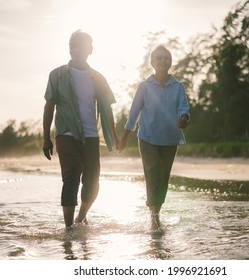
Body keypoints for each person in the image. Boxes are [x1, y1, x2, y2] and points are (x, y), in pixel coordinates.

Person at [43, 30, 119, 228]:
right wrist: (46, 138)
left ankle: (80, 217)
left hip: (91, 135)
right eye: (72, 46)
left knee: (92, 181)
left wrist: (115, 135)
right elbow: (49, 106)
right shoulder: (57, 74)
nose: (75, 49)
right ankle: (69, 228)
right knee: (72, 174)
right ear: (70, 49)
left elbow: (107, 108)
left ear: (90, 50)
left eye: (81, 46)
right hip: (66, 133)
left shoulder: (98, 78)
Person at [119, 45, 190, 231]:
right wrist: (125, 136)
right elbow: (134, 113)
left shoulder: (178, 86)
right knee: (152, 173)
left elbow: (183, 107)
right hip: (148, 138)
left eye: (166, 57)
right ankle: (154, 217)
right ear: (152, 62)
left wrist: (184, 117)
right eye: (158, 58)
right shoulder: (144, 86)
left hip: (170, 139)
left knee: (163, 176)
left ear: (170, 62)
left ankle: (157, 211)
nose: (162, 60)